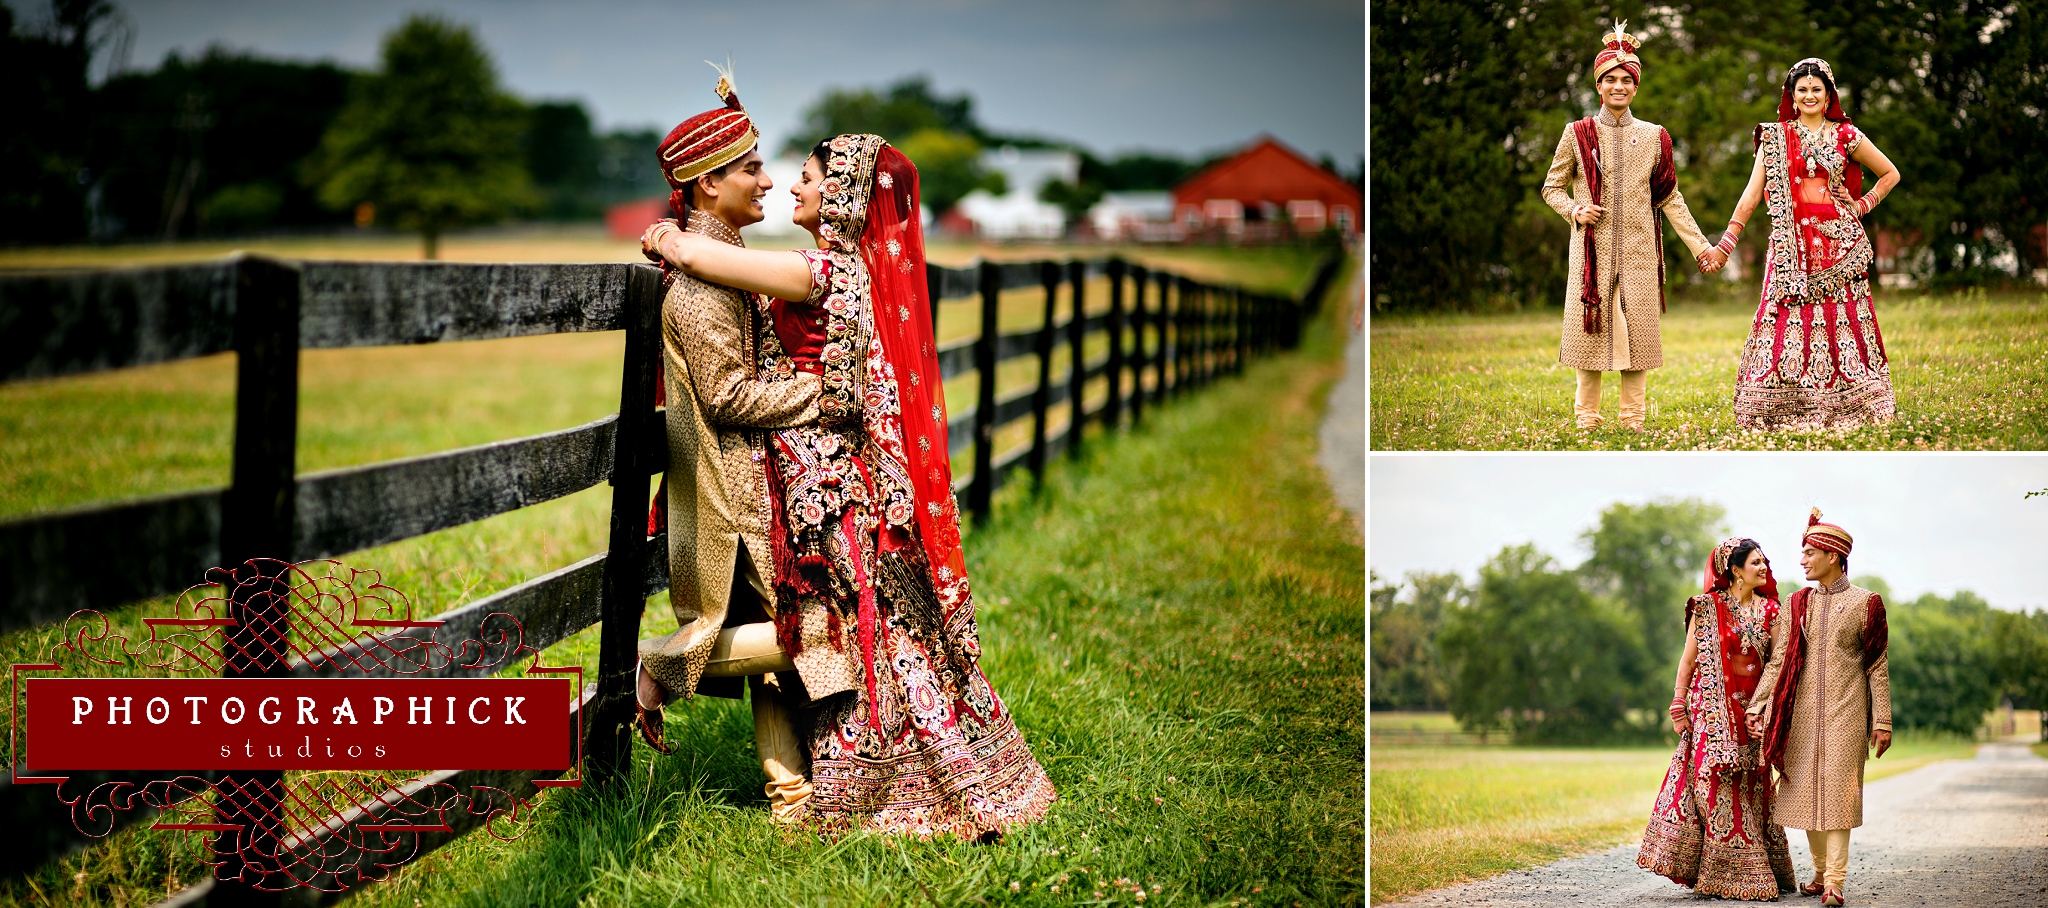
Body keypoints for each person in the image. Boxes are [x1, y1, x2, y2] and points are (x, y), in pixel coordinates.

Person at [643, 133, 1056, 838]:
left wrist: (668, 237)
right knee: (838, 632)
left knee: (843, 633)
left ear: (841, 196)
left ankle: (659, 674)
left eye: (800, 177)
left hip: (829, 479)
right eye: (760, 170)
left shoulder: (828, 269)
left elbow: (697, 257)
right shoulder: (819, 266)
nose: (780, 185)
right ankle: (795, 798)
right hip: (808, 478)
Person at [630, 68, 857, 826]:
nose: (766, 180)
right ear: (704, 186)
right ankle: (656, 664)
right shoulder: (701, 290)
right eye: (751, 168)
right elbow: (727, 397)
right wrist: (822, 394)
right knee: (822, 634)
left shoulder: (725, 269)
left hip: (762, 483)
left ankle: (791, 801)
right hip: (734, 496)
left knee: (783, 657)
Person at [1703, 58, 1901, 430]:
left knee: (1840, 326)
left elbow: (1890, 173)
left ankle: (1853, 402)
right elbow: (1750, 197)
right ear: (1792, 96)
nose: (1809, 95)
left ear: (1828, 95)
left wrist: (1861, 205)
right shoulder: (1775, 138)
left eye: (1816, 89)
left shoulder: (1847, 136)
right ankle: (1775, 407)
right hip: (1789, 253)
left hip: (1839, 250)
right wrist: (1725, 245)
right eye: (1802, 89)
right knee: (1782, 325)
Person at [1540, 21, 1714, 431]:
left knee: (1639, 338)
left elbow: (1669, 197)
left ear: (1636, 87)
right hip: (1591, 258)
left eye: (1626, 80)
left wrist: (1701, 247)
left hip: (1640, 256)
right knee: (1589, 337)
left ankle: (1633, 420)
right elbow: (1551, 187)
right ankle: (1587, 421)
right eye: (1610, 80)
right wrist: (1574, 210)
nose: (1619, 87)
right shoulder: (1577, 133)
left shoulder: (1655, 137)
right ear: (1599, 85)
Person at [1745, 509, 1892, 907]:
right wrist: (1759, 706)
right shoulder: (1797, 603)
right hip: (1802, 714)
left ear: (1833, 556)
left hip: (1848, 714)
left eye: (1810, 552)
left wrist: (1882, 721)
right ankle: (1819, 871)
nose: (1802, 560)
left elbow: (1877, 667)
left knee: (1840, 795)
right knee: (1806, 792)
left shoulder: (1867, 604)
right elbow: (1779, 662)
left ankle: (1835, 883)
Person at [1638, 538, 1797, 899]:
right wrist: (1678, 703)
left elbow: (1777, 662)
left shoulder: (1773, 610)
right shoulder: (1707, 607)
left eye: (1765, 561)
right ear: (1735, 570)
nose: (1764, 567)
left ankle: (1751, 868)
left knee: (1754, 787)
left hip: (1754, 713)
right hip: (1709, 712)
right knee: (1712, 786)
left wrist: (1764, 707)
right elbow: (1689, 658)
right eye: (1756, 562)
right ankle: (1718, 871)